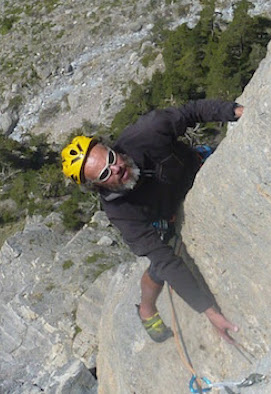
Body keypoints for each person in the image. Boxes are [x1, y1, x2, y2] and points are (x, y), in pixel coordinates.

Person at [61, 99, 243, 343]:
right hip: (167, 213)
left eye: (111, 158)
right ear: (96, 185)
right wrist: (209, 311)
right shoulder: (120, 212)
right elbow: (164, 260)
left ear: (111, 148)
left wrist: (235, 111)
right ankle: (147, 309)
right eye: (105, 173)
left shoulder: (147, 133)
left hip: (194, 168)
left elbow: (191, 113)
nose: (115, 169)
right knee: (159, 266)